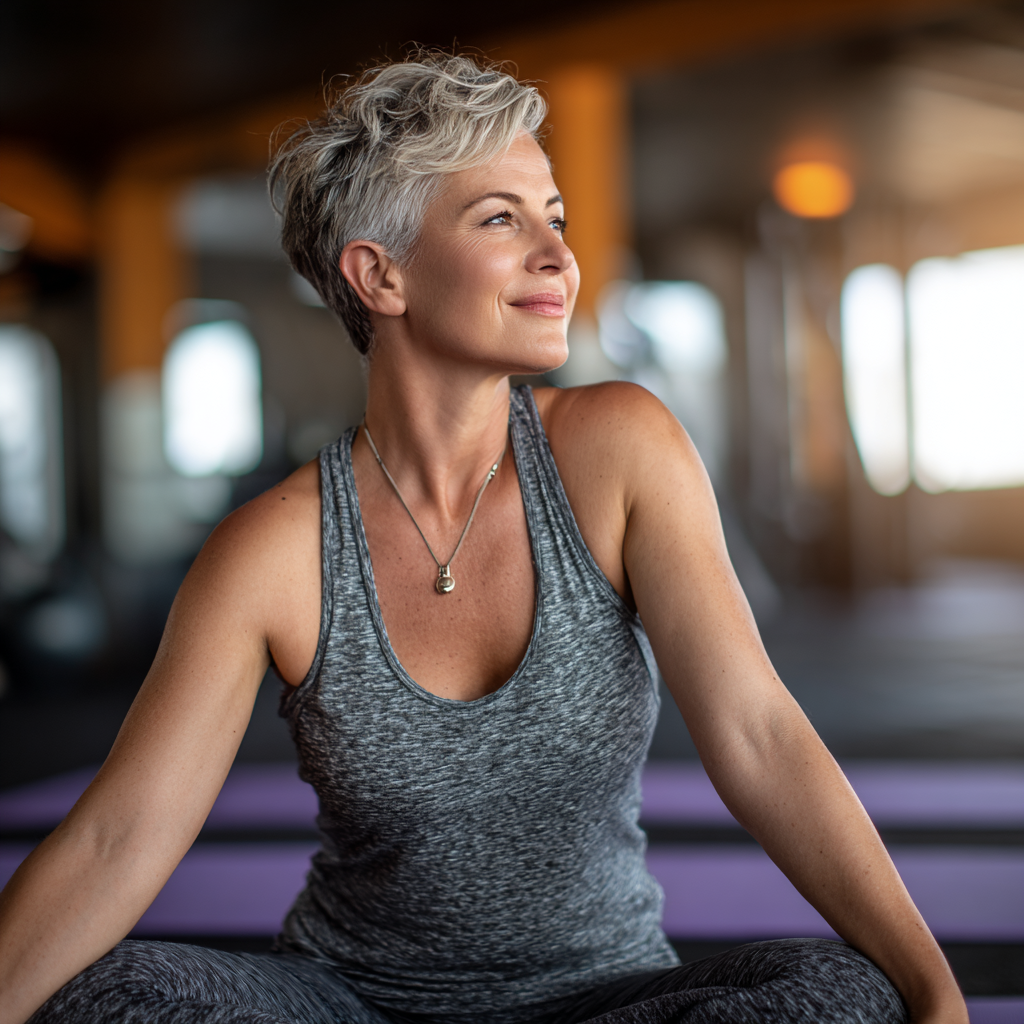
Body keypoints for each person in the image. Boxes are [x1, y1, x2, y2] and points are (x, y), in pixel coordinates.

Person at [0, 52, 966, 1024]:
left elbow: (758, 735)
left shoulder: (619, 448)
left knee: (844, 992)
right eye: (501, 218)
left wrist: (932, 989)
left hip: (603, 1002)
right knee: (114, 991)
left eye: (555, 216)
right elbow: (119, 835)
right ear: (380, 274)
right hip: (351, 1004)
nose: (556, 254)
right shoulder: (273, 549)